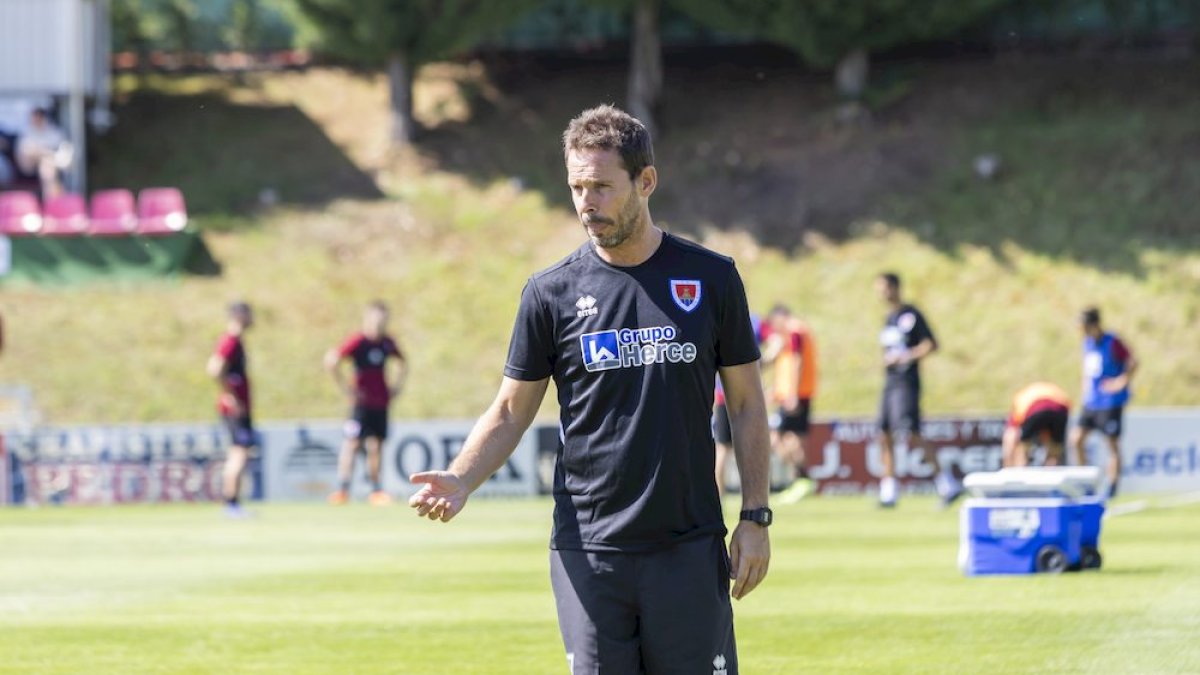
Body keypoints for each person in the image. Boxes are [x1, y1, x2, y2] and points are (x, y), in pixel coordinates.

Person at [408, 105, 772, 674]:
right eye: (577, 186)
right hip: (589, 551)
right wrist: (461, 476)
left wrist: (756, 517)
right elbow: (510, 409)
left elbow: (748, 405)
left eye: (602, 186)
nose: (586, 202)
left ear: (645, 181)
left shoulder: (711, 278)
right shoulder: (549, 294)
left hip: (687, 546)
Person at [874, 272, 956, 507]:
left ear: (895, 288)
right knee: (884, 433)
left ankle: (946, 483)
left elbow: (931, 344)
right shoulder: (888, 318)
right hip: (890, 382)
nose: (881, 293)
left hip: (906, 382)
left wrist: (905, 357)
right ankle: (888, 491)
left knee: (911, 433)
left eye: (884, 288)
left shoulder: (911, 314)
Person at [324, 300, 407, 506]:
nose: (380, 324)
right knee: (351, 443)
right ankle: (342, 489)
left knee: (376, 446)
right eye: (376, 319)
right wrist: (346, 388)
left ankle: (376, 491)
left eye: (383, 320)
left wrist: (397, 387)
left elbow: (403, 363)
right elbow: (332, 361)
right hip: (360, 404)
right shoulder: (358, 341)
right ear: (368, 319)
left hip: (381, 403)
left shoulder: (387, 342)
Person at [1070, 307, 1137, 499]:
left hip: (1110, 402)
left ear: (1093, 324)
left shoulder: (1112, 341)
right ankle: (1085, 484)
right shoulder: (1087, 343)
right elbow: (1089, 371)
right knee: (1076, 439)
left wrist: (1121, 381)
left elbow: (1132, 361)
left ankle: (1112, 486)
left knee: (1112, 444)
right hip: (1091, 402)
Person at [763, 304, 818, 504]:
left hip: (796, 394)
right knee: (789, 438)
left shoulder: (795, 330)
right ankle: (800, 481)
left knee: (781, 438)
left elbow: (796, 362)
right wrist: (777, 391)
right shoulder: (794, 332)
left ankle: (803, 479)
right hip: (792, 393)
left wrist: (792, 393)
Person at [206, 302, 256, 518]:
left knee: (238, 451)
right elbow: (214, 369)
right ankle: (231, 503)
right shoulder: (231, 341)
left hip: (237, 406)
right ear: (240, 316)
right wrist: (231, 397)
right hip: (234, 409)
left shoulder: (236, 341)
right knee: (239, 452)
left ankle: (232, 503)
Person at [713, 313, 763, 502]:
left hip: (721, 393)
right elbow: (776, 339)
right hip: (732, 392)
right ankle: (720, 495)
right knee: (723, 449)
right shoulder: (754, 320)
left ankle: (719, 496)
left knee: (722, 448)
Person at [1003, 382, 1071, 468]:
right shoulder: (1050, 392)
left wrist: (1008, 465)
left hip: (1036, 409)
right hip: (1060, 410)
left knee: (1023, 447)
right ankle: (1051, 472)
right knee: (1054, 450)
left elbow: (1011, 436)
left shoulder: (1021, 400)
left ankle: (1020, 471)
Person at [15, 108, 71, 198]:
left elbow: (63, 154)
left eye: (38, 118)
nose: (35, 121)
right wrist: (43, 152)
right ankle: (52, 200)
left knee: (46, 165)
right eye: (34, 118)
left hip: (52, 165)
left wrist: (44, 153)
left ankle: (51, 199)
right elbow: (24, 152)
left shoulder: (54, 133)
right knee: (45, 162)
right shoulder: (27, 132)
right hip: (28, 166)